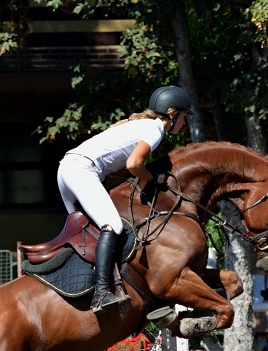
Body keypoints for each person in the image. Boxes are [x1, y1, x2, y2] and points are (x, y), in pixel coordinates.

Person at [57, 86, 193, 313]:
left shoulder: (139, 125)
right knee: (113, 225)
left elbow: (118, 168)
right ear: (172, 113)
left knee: (89, 232)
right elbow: (133, 164)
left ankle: (83, 287)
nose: (184, 123)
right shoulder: (155, 129)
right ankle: (101, 294)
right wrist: (153, 179)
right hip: (81, 169)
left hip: (67, 168)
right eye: (184, 117)